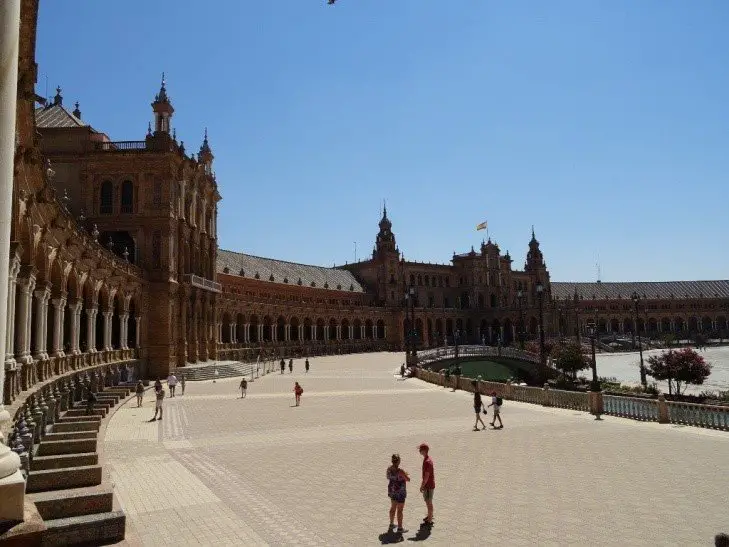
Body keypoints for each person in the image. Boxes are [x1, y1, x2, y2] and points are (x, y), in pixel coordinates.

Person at [387, 453, 410, 534]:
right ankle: (400, 528)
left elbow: (388, 477)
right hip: (400, 492)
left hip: (392, 491)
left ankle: (391, 524)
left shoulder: (389, 469)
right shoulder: (400, 471)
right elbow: (408, 479)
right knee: (400, 510)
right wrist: (405, 475)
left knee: (393, 508)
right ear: (398, 461)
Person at [418, 443, 435, 526]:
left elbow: (426, 476)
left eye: (420, 449)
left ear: (424, 451)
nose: (419, 451)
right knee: (428, 502)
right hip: (429, 485)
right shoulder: (427, 459)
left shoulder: (427, 462)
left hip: (428, 485)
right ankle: (429, 516)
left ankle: (429, 520)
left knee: (429, 502)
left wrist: (422, 486)